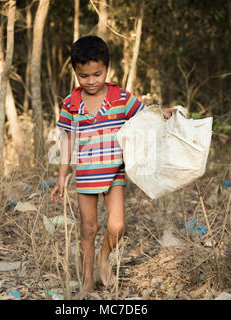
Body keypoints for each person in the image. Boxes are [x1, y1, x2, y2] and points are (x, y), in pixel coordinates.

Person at [50, 35, 173, 294]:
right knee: (88, 227)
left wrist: (165, 112)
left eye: (97, 73)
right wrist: (61, 177)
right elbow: (67, 140)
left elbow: (146, 116)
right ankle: (86, 277)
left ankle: (103, 257)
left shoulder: (121, 97)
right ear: (75, 71)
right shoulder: (71, 103)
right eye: (84, 76)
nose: (92, 81)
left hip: (115, 171)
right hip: (85, 173)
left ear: (107, 68)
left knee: (117, 226)